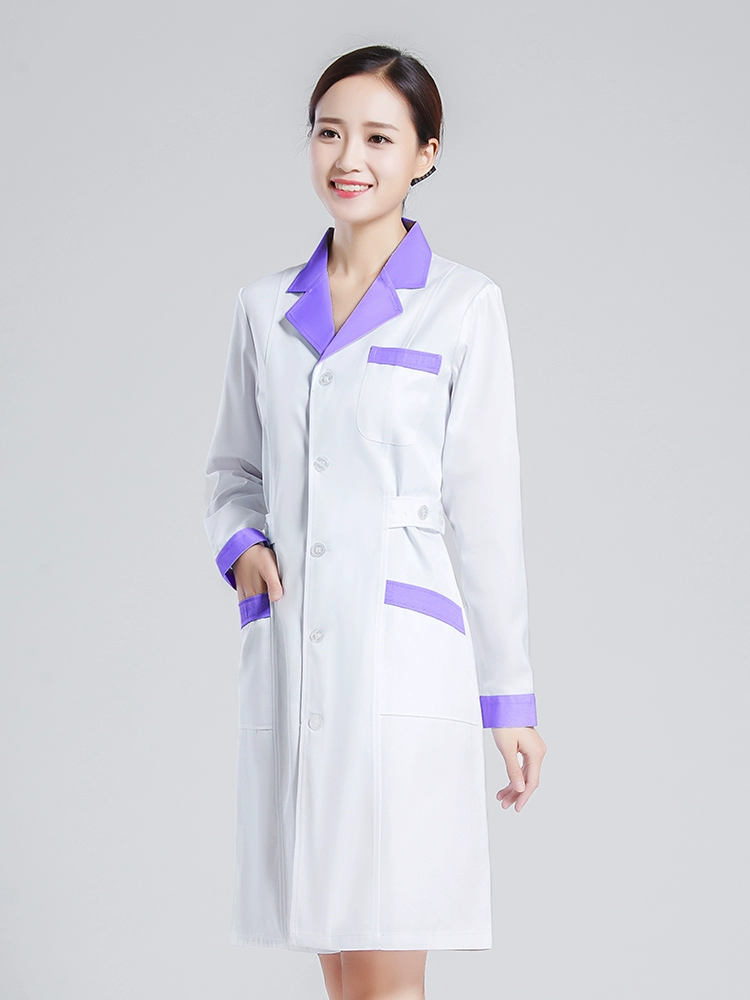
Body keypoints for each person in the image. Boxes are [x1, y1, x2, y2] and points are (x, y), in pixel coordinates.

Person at [204, 43, 547, 1000]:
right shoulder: (262, 308)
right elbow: (232, 470)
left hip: (405, 657)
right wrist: (243, 546)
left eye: (379, 138)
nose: (348, 157)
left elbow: (486, 511)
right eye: (329, 133)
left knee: (389, 968)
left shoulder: (463, 306)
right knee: (341, 970)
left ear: (425, 154)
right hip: (297, 654)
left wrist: (509, 700)